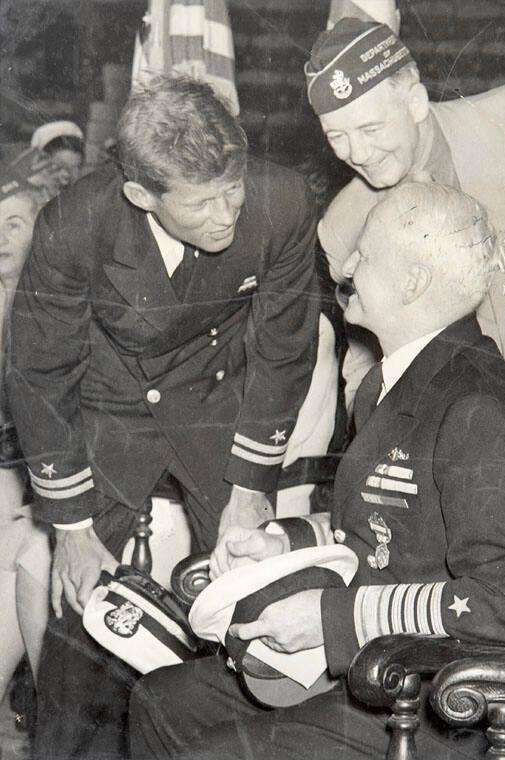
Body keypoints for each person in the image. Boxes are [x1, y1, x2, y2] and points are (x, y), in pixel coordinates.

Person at [130, 182, 505, 760]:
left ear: (412, 283)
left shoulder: (475, 408)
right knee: (162, 700)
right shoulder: (395, 384)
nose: (349, 265)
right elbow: (382, 527)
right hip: (382, 666)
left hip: (447, 696)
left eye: (366, 253)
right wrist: (280, 539)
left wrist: (331, 618)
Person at [8, 74, 320, 759]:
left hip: (215, 397)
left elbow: (284, 349)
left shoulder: (282, 201)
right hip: (108, 402)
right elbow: (39, 372)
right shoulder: (73, 222)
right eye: (202, 202)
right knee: (79, 607)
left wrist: (248, 490)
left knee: (252, 591)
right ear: (141, 195)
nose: (226, 215)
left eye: (232, 187)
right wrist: (72, 525)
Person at [306, 17, 505, 405]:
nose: (357, 154)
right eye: (337, 137)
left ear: (415, 102)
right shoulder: (343, 229)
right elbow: (366, 372)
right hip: (480, 428)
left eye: (370, 129)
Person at [0, 158, 51, 705]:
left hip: (43, 478)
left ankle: (48, 707)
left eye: (14, 223)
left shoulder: (56, 302)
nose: (0, 238)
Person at [30, 120, 84, 191]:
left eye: (74, 169)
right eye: (58, 167)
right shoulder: (20, 199)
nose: (66, 175)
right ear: (39, 163)